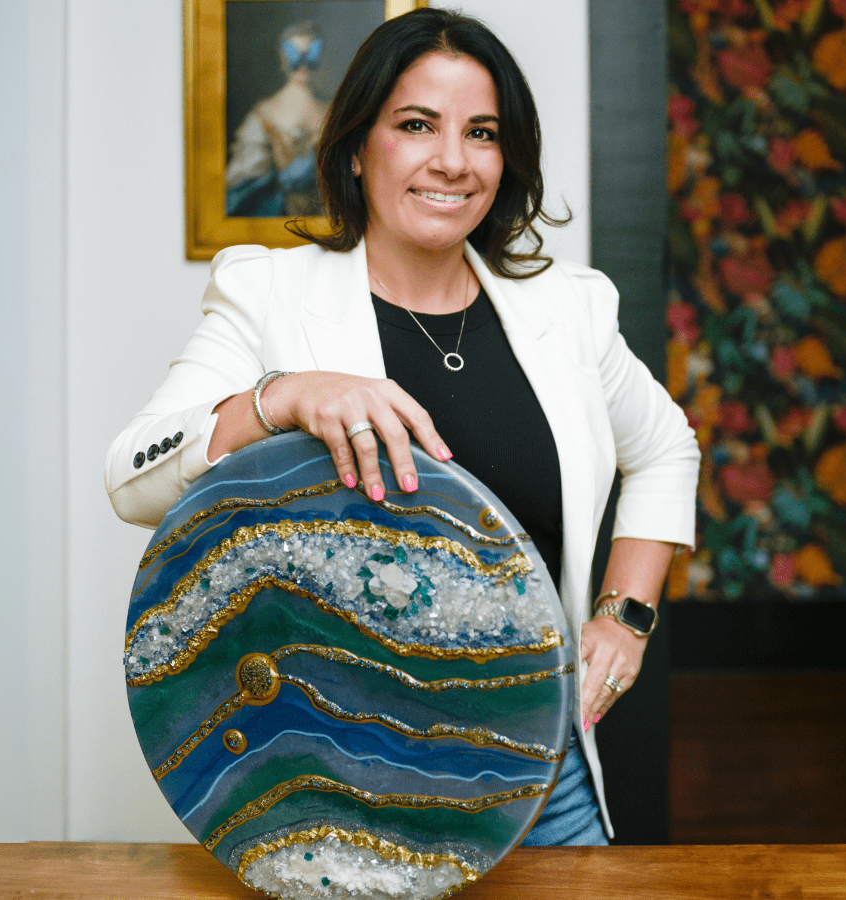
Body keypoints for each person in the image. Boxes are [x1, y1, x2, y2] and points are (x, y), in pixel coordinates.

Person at [107, 7, 699, 845]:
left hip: (538, 777)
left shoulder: (569, 308)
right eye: (416, 125)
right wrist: (282, 395)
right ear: (356, 145)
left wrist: (625, 617)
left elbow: (667, 445)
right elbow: (129, 476)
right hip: (333, 783)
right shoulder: (269, 296)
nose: (452, 161)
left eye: (482, 133)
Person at [225, 21, 326, 217]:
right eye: (295, 55)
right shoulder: (263, 114)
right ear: (282, 58)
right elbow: (241, 186)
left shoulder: (334, 110)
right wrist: (280, 179)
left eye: (310, 54)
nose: (303, 64)